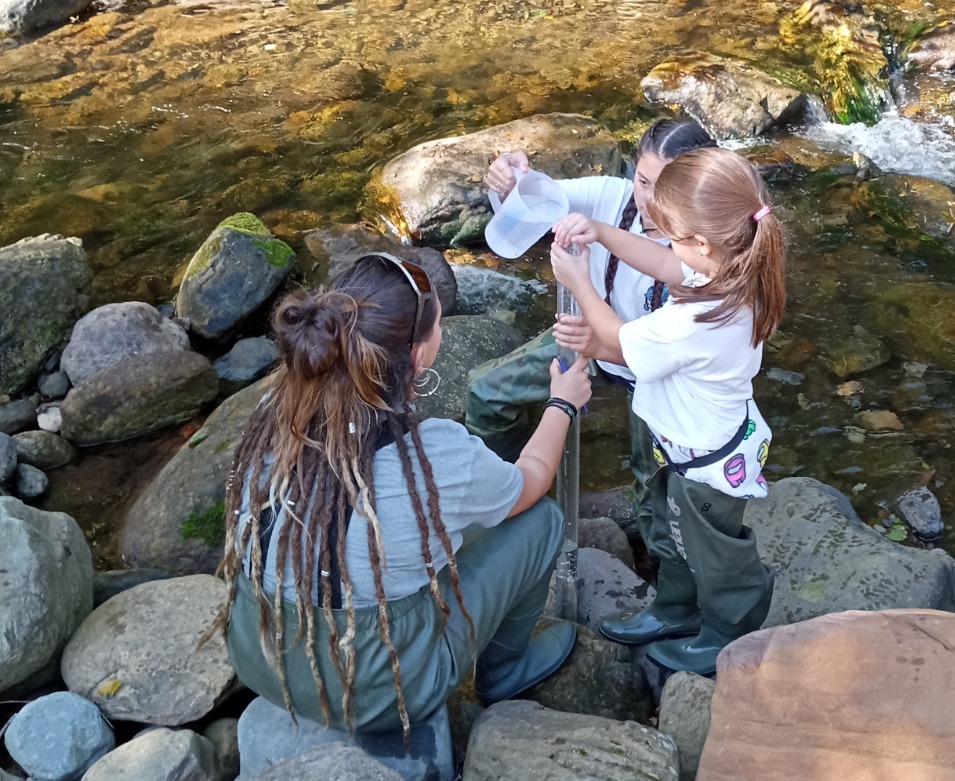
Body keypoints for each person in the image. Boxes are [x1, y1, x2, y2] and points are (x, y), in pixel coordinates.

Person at [213, 252, 591, 737]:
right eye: (438, 327)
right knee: (541, 522)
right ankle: (504, 672)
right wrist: (562, 403)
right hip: (375, 697)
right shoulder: (434, 456)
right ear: (418, 356)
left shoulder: (274, 410)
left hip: (260, 657)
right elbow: (532, 478)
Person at [548, 148, 785, 674]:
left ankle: (726, 633)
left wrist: (580, 282)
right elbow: (662, 262)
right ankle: (676, 608)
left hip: (708, 463)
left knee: (714, 552)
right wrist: (602, 232)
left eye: (672, 235)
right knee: (672, 531)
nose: (665, 243)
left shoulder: (700, 317)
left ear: (702, 242)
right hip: (682, 444)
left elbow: (616, 337)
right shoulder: (728, 269)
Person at [467, 118, 717, 544]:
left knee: (653, 486)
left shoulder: (707, 251)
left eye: (665, 188)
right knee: (486, 393)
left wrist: (595, 330)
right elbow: (540, 197)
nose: (649, 200)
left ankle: (656, 565)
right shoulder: (612, 197)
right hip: (590, 336)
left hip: (658, 371)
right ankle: (510, 498)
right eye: (643, 181)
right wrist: (511, 182)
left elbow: (658, 356)